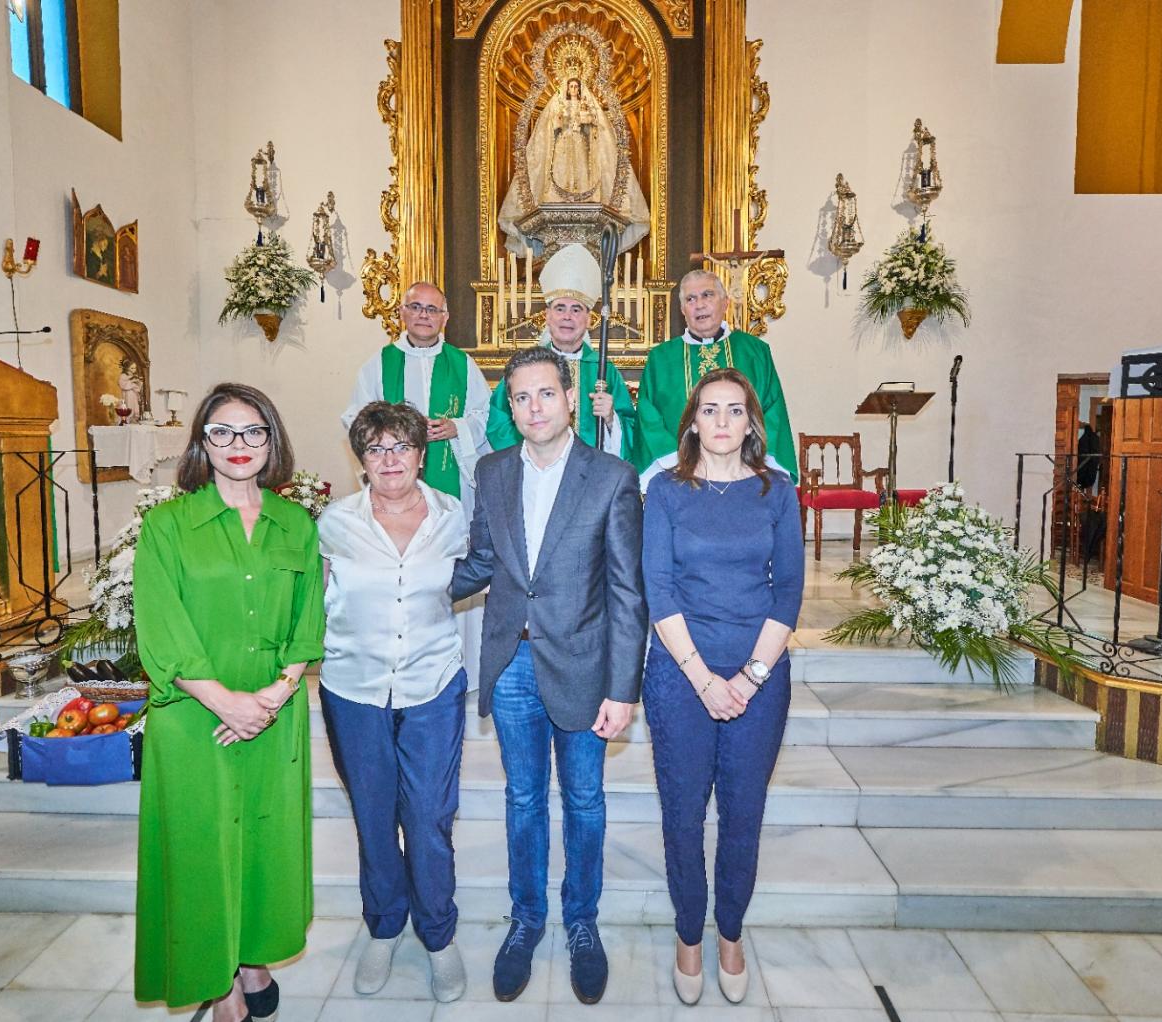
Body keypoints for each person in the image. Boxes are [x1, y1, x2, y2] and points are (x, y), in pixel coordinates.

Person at [451, 345, 647, 1005]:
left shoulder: (611, 477)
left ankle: (582, 920)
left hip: (585, 665)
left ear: (569, 399)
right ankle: (527, 918)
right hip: (512, 663)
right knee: (523, 799)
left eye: (545, 393)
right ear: (510, 408)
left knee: (585, 800)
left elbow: (628, 593)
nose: (533, 407)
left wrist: (622, 689)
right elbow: (482, 561)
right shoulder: (493, 471)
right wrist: (406, 585)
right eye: (520, 397)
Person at [132, 383, 324, 1022]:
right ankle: (220, 982)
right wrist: (224, 702)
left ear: (272, 441)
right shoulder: (167, 526)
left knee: (265, 841)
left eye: (253, 431)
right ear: (202, 442)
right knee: (200, 847)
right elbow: (161, 626)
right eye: (222, 431)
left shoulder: (296, 523)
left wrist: (274, 694)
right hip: (193, 717)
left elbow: (309, 620)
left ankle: (253, 951)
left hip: (273, 713)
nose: (238, 444)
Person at [640, 368, 803, 1006]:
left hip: (759, 673)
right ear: (692, 422)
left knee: (743, 813)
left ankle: (730, 932)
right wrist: (705, 680)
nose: (722, 422)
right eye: (709, 410)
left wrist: (751, 677)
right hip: (681, 675)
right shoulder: (666, 490)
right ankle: (689, 934)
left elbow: (788, 592)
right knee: (683, 815)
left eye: (735, 410)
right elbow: (660, 589)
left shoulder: (776, 491)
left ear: (751, 422)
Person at [318, 401, 470, 1003]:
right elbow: (308, 603)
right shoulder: (334, 522)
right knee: (374, 816)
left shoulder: (453, 515)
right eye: (375, 449)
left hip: (432, 683)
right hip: (354, 688)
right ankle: (384, 927)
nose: (389, 460)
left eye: (400, 446)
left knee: (429, 818)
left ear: (421, 455)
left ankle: (438, 935)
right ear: (360, 458)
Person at [343, 281, 490, 691]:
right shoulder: (379, 364)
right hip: (393, 494)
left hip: (451, 487)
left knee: (453, 568)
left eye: (433, 309)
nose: (424, 315)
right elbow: (356, 420)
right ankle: (399, 669)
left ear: (445, 318)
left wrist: (457, 427)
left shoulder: (462, 365)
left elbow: (487, 416)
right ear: (402, 313)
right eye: (417, 307)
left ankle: (460, 670)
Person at [631, 269, 797, 489]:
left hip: (746, 473)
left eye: (707, 295)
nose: (699, 305)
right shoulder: (661, 358)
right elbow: (647, 415)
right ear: (682, 309)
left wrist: (754, 463)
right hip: (680, 474)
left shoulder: (755, 352)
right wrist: (677, 461)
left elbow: (773, 411)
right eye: (690, 299)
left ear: (725, 302)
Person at [486, 243, 635, 457]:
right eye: (560, 308)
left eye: (576, 310)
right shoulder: (526, 368)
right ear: (547, 316)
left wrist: (612, 419)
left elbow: (631, 430)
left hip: (590, 470)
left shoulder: (604, 370)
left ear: (588, 319)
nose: (567, 317)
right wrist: (530, 452)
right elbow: (498, 422)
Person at [498, 66, 650, 259]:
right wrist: (560, 121)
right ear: (566, 88)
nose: (573, 89)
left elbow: (594, 129)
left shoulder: (586, 105)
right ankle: (558, 196)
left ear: (580, 88)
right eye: (570, 86)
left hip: (579, 143)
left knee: (581, 168)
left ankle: (583, 195)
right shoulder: (558, 105)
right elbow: (551, 128)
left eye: (576, 86)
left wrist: (586, 120)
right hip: (563, 143)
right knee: (562, 168)